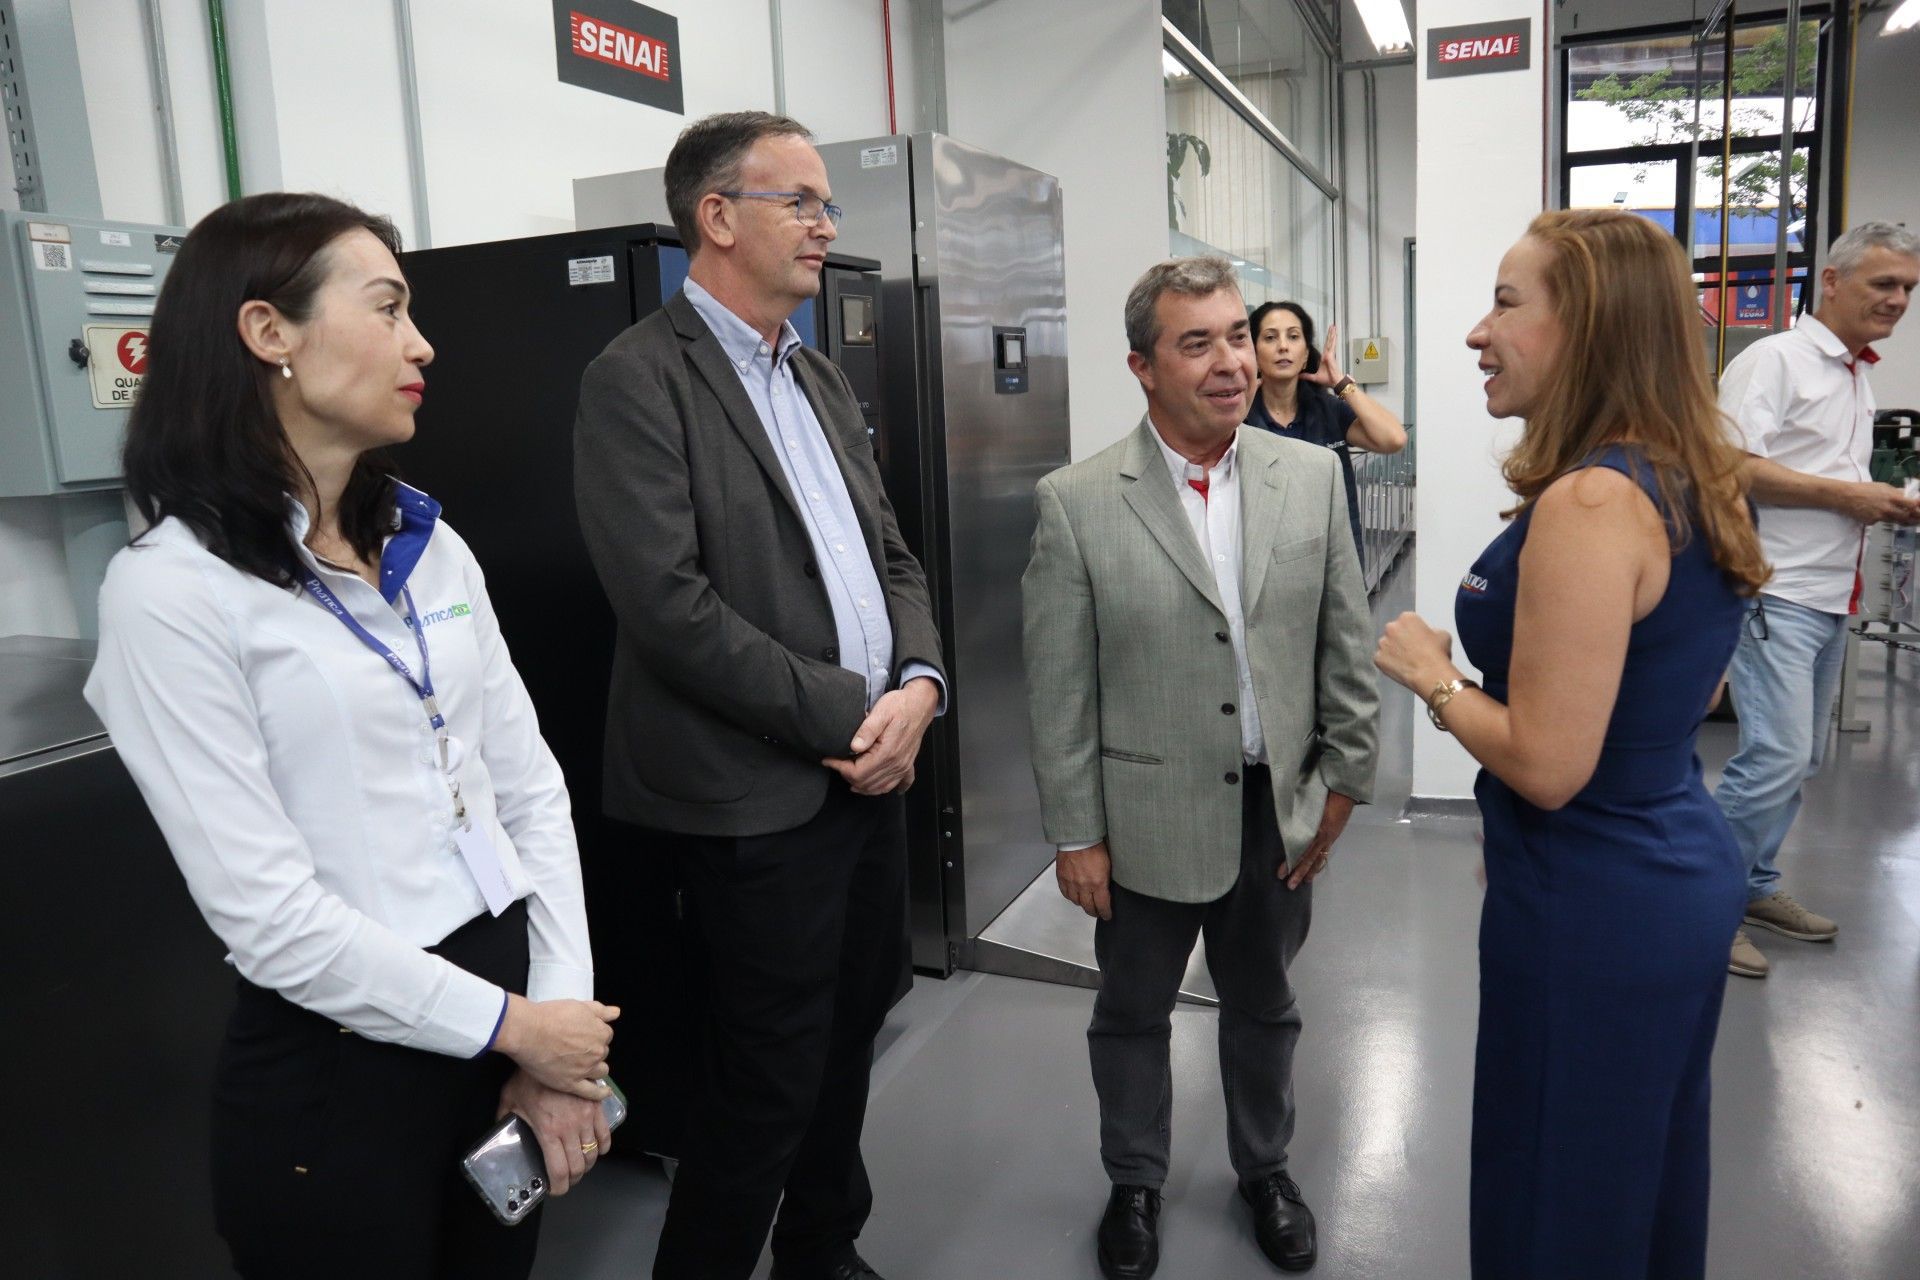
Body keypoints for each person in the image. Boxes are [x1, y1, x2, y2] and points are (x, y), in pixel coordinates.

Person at [83, 192, 618, 1278]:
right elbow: (271, 919)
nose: (421, 342)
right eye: (387, 307)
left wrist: (556, 1024)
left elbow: (530, 789)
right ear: (267, 332)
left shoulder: (431, 543)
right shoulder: (172, 591)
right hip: (345, 1065)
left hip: (507, 1010)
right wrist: (516, 1025)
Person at [572, 111, 946, 1280]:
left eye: (827, 204)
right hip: (754, 795)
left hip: (873, 771)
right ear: (717, 217)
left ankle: (822, 1249)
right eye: (803, 201)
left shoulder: (821, 375)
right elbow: (668, 606)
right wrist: (854, 714)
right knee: (766, 1072)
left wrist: (922, 685)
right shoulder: (636, 379)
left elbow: (894, 554)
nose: (827, 225)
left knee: (850, 1033)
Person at [1374, 209, 1771, 1279]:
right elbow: (1685, 679)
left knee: (1555, 1191)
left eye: (1507, 303)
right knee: (1631, 1176)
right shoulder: (1689, 475)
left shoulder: (1594, 500)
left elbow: (1550, 762)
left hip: (1597, 897)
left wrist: (1434, 674)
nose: (1476, 331)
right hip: (1661, 863)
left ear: (1585, 324)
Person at [1023, 256, 1378, 1279]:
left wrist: (1342, 787)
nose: (1229, 362)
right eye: (1198, 343)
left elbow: (1345, 644)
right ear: (1142, 365)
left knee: (1265, 1005)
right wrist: (1075, 830)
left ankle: (1264, 1167)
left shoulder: (1308, 476)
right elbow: (1060, 686)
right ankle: (1134, 1178)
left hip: (1279, 810)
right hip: (1141, 816)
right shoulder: (1079, 501)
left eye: (1237, 335)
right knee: (1130, 1012)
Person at [1712, 220, 1920, 979]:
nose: (1898, 301)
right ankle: (1710, 905)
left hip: (1830, 593)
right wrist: (1847, 494)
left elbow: (1824, 476)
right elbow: (1728, 465)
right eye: (1883, 285)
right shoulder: (1774, 361)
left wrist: (1879, 501)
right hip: (1778, 589)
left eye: (1907, 289)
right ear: (1830, 281)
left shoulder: (1854, 375)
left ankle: (1755, 885)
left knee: (1800, 758)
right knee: (1774, 756)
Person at [1245, 300, 1407, 563]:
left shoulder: (1328, 410)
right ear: (1254, 352)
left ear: (1306, 354)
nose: (1283, 346)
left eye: (1293, 336)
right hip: (1265, 564)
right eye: (1270, 337)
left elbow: (1394, 438)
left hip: (1332, 560)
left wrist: (1340, 382)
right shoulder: (1241, 418)